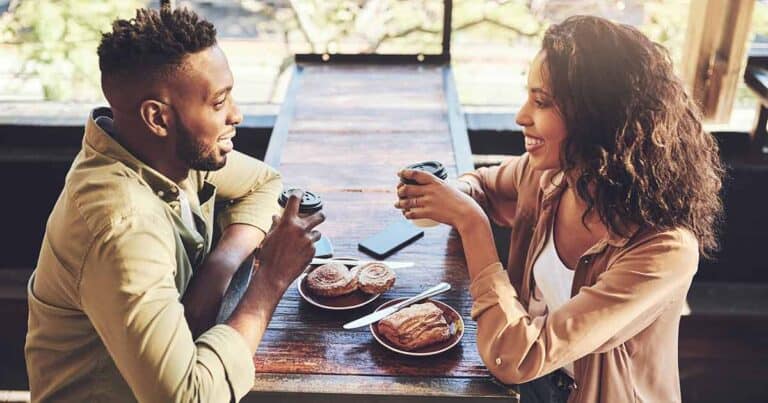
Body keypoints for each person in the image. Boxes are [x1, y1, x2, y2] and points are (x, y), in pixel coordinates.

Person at [395, 15, 723, 403]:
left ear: (599, 119)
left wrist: (470, 222)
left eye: (542, 102)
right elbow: (482, 185)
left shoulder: (664, 250)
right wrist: (448, 196)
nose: (521, 116)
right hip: (525, 384)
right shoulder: (555, 176)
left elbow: (515, 357)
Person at [25, 7, 324, 402]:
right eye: (218, 104)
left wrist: (217, 270)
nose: (237, 114)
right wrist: (270, 281)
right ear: (158, 118)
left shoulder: (167, 156)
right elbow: (189, 398)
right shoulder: (123, 225)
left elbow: (264, 183)